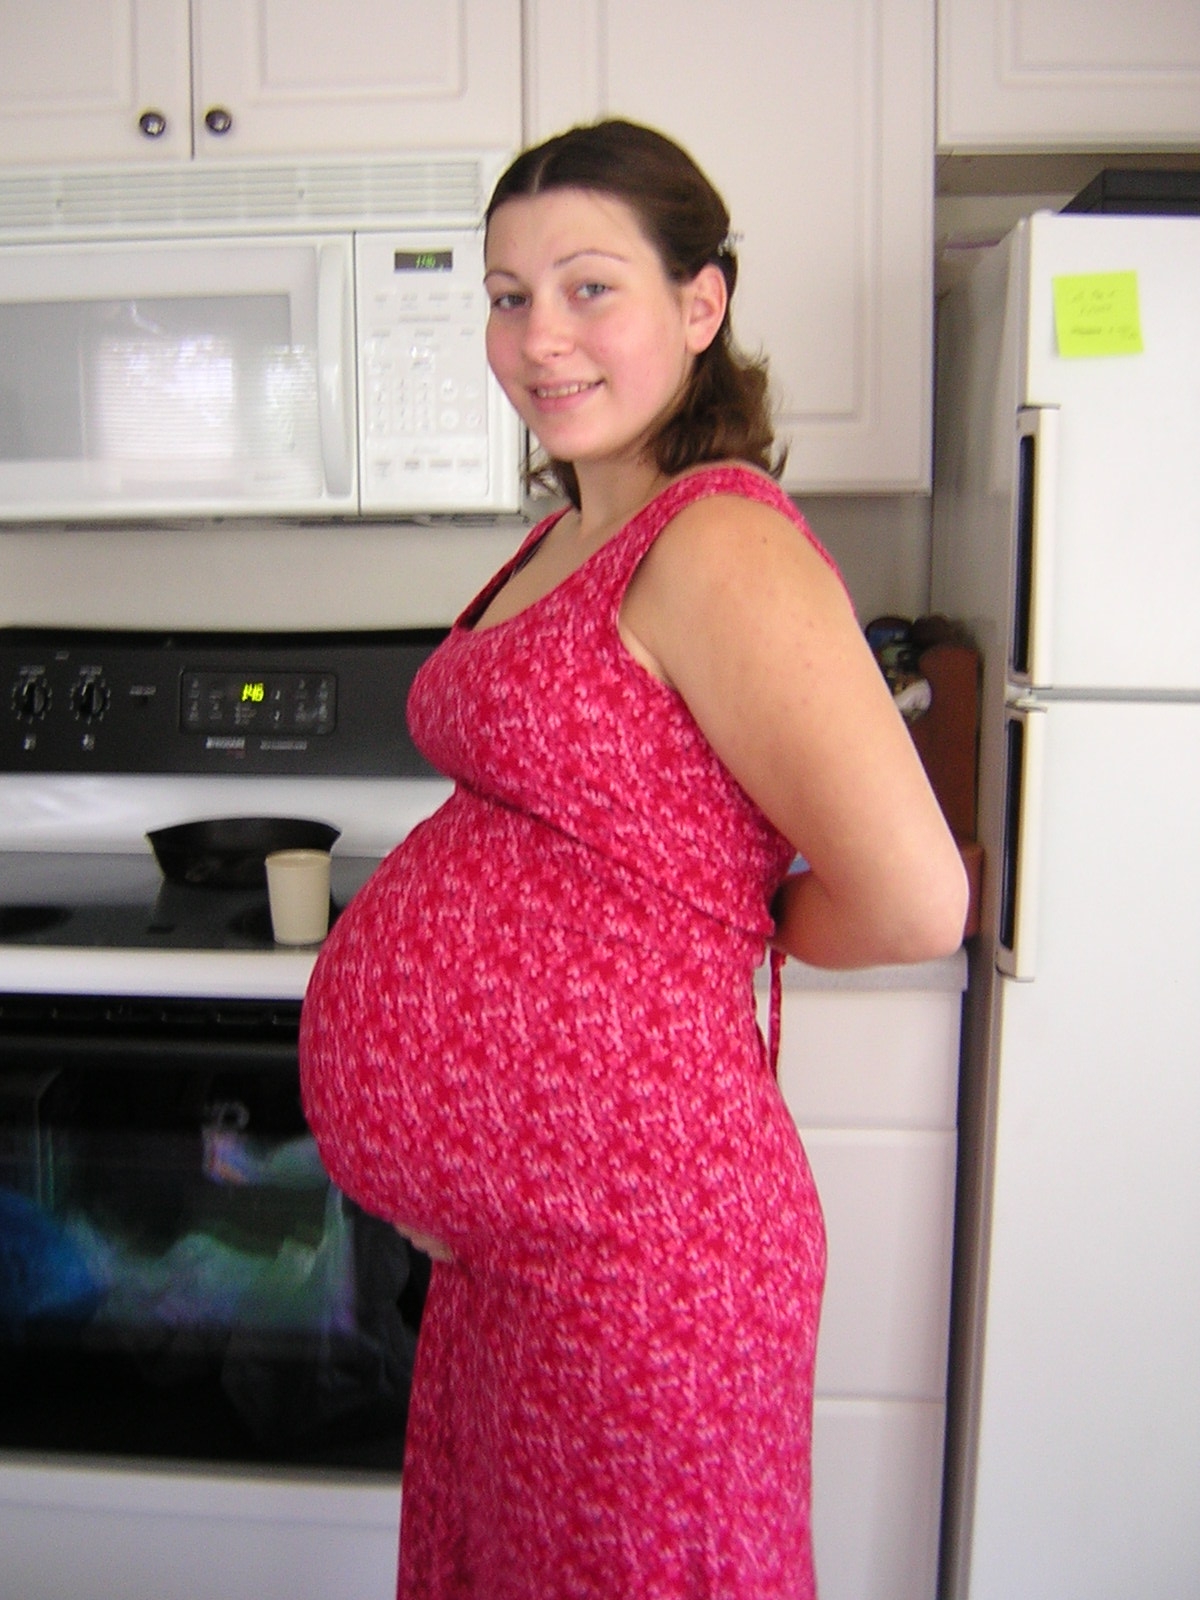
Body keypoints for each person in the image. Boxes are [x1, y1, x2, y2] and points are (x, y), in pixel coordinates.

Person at [299, 118, 967, 1600]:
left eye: (590, 287)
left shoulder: (718, 544)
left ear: (701, 305)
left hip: (644, 1251)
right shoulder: (567, 534)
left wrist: (740, 917)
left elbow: (919, 897)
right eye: (506, 293)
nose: (541, 336)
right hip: (512, 1258)